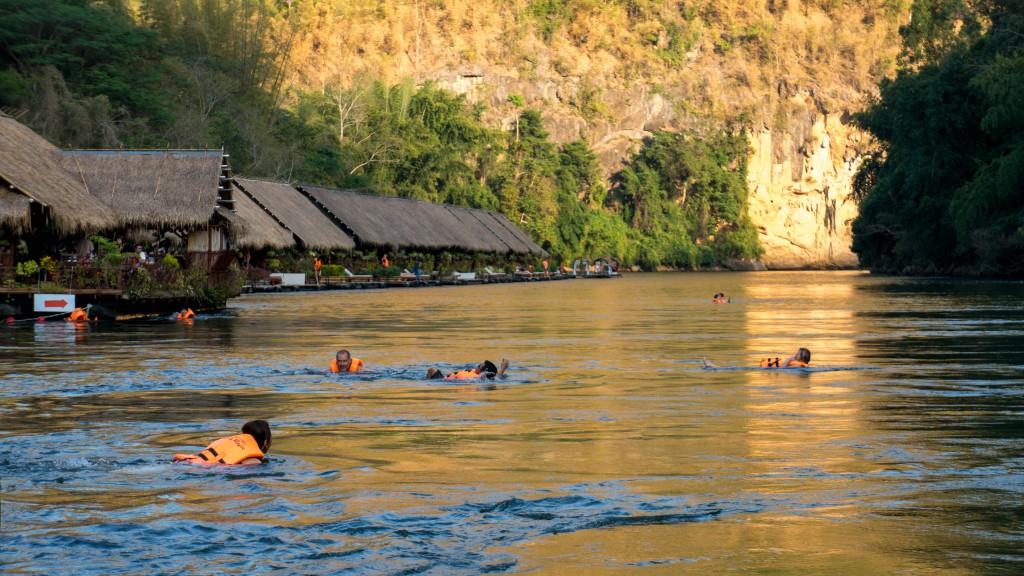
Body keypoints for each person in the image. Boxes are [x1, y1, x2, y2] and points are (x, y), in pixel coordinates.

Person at [173, 420, 271, 466]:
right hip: (201, 469)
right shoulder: (253, 460)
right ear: (265, 441)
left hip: (184, 461)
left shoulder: (228, 443)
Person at [426, 358, 509, 381]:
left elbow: (492, 377)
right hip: (444, 379)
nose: (477, 365)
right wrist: (503, 367)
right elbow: (497, 376)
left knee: (432, 370)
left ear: (483, 371)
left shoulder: (478, 378)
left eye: (479, 366)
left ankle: (426, 381)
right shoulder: (476, 372)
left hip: (441, 381)